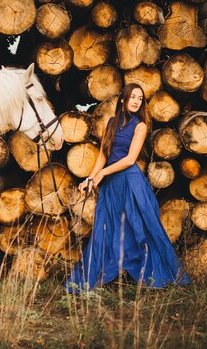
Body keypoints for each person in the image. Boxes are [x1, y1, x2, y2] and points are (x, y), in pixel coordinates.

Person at [66, 83, 189, 292]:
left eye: (140, 98)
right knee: (106, 229)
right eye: (132, 97)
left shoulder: (140, 126)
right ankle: (92, 278)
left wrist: (102, 174)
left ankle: (159, 277)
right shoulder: (111, 123)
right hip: (112, 186)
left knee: (144, 229)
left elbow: (130, 159)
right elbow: (103, 155)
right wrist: (90, 178)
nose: (136, 101)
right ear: (123, 99)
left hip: (131, 183)